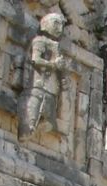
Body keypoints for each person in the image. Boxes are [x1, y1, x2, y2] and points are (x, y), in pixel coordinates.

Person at [18, 13, 68, 141]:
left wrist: (62, 74)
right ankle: (26, 132)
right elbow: (35, 59)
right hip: (37, 85)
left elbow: (59, 68)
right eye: (56, 23)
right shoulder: (40, 40)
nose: (59, 28)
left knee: (48, 121)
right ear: (46, 24)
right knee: (30, 121)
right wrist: (53, 64)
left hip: (51, 90)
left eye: (61, 24)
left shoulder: (56, 46)